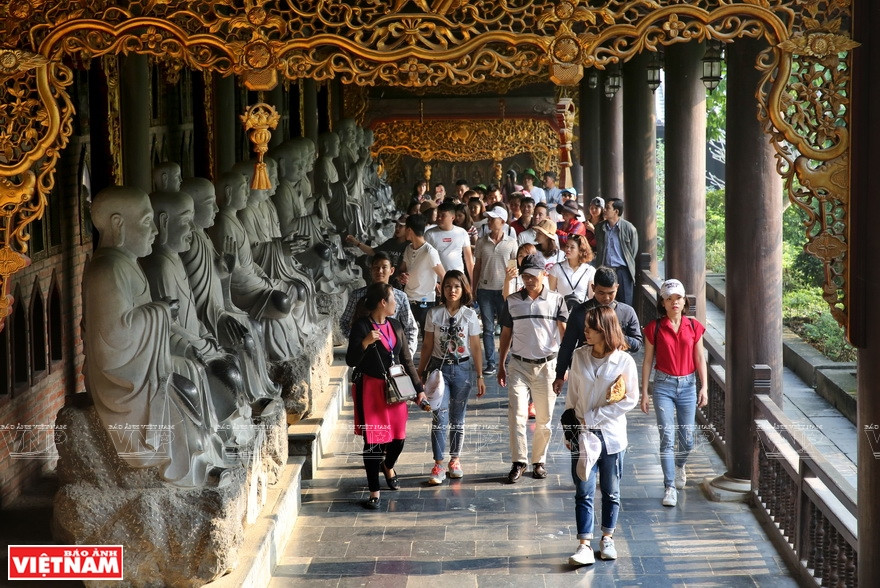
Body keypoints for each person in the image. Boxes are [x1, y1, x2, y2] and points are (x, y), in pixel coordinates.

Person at [563, 306, 638, 566]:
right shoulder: (579, 356)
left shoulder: (624, 361)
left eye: (591, 328)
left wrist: (596, 416)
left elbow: (631, 398)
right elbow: (572, 394)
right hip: (582, 434)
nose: (585, 332)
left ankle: (607, 538)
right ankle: (584, 544)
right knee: (583, 489)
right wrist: (569, 427)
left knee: (611, 490)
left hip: (611, 435)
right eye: (585, 327)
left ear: (605, 330)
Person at [346, 282, 429, 510]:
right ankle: (374, 492)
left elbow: (407, 361)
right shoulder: (362, 327)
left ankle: (388, 465)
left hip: (396, 388)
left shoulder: (396, 325)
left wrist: (419, 390)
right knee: (373, 443)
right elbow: (351, 360)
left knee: (398, 439)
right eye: (393, 299)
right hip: (371, 390)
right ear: (383, 302)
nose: (396, 303)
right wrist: (365, 343)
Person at [498, 254, 568, 482]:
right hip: (518, 365)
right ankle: (519, 462)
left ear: (544, 274)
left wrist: (563, 368)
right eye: (525, 275)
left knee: (544, 418)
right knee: (516, 415)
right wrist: (501, 364)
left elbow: (564, 334)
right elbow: (506, 334)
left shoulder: (556, 300)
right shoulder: (512, 301)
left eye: (533, 275)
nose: (529, 280)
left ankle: (539, 461)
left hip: (547, 365)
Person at [640, 279, 708, 508]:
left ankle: (679, 465)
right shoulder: (654, 327)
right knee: (667, 438)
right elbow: (647, 361)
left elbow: (700, 358)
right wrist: (644, 392)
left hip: (688, 386)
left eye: (677, 298)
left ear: (684, 300)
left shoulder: (693, 326)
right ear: (663, 302)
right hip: (663, 386)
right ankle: (669, 486)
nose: (674, 302)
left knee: (687, 440)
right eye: (669, 299)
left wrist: (704, 386)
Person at [417, 271, 485, 484]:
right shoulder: (434, 314)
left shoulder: (470, 315)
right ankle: (438, 463)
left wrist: (480, 375)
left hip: (463, 370)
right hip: (439, 370)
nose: (452, 290)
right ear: (441, 289)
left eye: (456, 286)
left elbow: (475, 346)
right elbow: (427, 345)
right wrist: (420, 371)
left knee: (458, 418)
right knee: (439, 417)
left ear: (463, 288)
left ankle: (455, 460)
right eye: (447, 286)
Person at [554, 266, 643, 394]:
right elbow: (567, 345)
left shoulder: (626, 312)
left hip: (614, 371)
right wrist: (560, 374)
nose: (606, 298)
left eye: (611, 293)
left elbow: (637, 344)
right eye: (601, 293)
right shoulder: (580, 312)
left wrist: (616, 336)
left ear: (617, 288)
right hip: (585, 368)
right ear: (593, 288)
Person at [340, 252, 419, 358]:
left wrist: (407, 354)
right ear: (371, 270)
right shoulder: (358, 295)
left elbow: (411, 327)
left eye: (384, 267)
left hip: (391, 353)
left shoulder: (400, 297)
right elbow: (344, 321)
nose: (380, 271)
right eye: (376, 267)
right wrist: (358, 340)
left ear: (391, 271)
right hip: (366, 354)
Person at [471, 204, 518, 376]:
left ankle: (506, 359)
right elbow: (477, 267)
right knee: (488, 329)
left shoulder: (512, 243)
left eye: (493, 219)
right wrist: (473, 288)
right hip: (485, 290)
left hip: (504, 291)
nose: (489, 222)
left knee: (507, 326)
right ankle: (491, 362)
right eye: (489, 219)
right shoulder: (481, 242)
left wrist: (514, 289)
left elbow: (514, 269)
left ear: (503, 221)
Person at [398, 214, 445, 333]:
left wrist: (443, 298)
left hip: (426, 302)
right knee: (406, 336)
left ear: (409, 230)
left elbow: (443, 275)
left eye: (404, 228)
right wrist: (402, 275)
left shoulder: (429, 251)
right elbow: (402, 269)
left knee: (427, 338)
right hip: (409, 299)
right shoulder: (408, 248)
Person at [346, 215, 409, 290]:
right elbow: (372, 251)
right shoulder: (390, 243)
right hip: (386, 282)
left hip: (401, 285)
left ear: (408, 229)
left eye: (401, 226)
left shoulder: (410, 246)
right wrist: (356, 243)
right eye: (397, 225)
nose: (397, 228)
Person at [595, 198, 639, 306]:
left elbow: (633, 251)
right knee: (604, 302)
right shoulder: (600, 227)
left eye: (608, 208)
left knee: (625, 303)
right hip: (605, 270)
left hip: (623, 270)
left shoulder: (629, 228)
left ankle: (623, 323)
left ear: (616, 211)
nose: (604, 210)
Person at [426, 201, 475, 277]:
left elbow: (469, 260)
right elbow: (426, 260)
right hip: (436, 279)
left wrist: (472, 283)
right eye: (438, 215)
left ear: (453, 217)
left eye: (443, 215)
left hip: (457, 277)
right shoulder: (429, 234)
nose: (439, 218)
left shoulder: (462, 233)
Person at [548, 234, 596, 310]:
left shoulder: (590, 270)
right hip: (561, 311)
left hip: (581, 312)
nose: (568, 249)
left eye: (572, 247)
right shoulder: (556, 268)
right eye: (567, 246)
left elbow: (591, 297)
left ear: (581, 250)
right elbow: (551, 294)